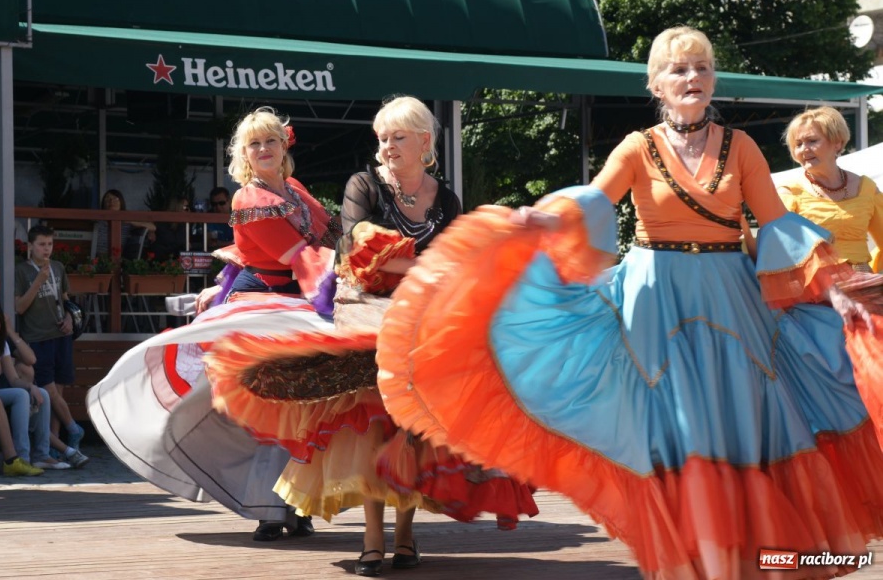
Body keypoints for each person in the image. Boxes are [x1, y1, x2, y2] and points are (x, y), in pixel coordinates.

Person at [373, 28, 883, 580]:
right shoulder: (639, 145)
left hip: (730, 304)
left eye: (702, 68)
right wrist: (541, 219)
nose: (693, 78)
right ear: (657, 84)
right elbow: (597, 198)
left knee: (739, 424)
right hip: (654, 304)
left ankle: (742, 560)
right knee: (678, 432)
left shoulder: (742, 146)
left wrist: (830, 285)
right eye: (680, 70)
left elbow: (776, 224)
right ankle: (695, 559)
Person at [206, 96, 538, 577]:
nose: (386, 146)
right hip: (359, 311)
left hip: (420, 314)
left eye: (397, 136)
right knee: (369, 424)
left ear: (425, 141)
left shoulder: (442, 198)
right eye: (382, 137)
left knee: (415, 429)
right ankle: (366, 538)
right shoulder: (360, 185)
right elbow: (350, 248)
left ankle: (405, 537)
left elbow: (456, 254)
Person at [86, 107, 334, 541]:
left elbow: (326, 237)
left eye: (271, 140)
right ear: (243, 153)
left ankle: (295, 504)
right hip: (265, 306)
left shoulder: (294, 188)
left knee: (303, 409)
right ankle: (270, 509)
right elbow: (291, 255)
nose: (264, 149)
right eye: (254, 143)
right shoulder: (247, 198)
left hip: (301, 302)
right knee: (270, 407)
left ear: (284, 144)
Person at [775, 106, 883, 273]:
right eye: (798, 144)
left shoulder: (867, 188)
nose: (804, 149)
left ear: (837, 143)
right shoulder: (789, 193)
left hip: (865, 287)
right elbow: (781, 251)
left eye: (812, 141)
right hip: (816, 291)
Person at [14, 225, 88, 467]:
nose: (46, 249)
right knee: (49, 393)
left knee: (59, 389)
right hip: (37, 337)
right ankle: (73, 429)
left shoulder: (58, 267)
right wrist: (38, 281)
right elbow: (19, 307)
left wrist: (68, 318)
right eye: (42, 244)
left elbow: (65, 299)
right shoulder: (22, 271)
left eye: (50, 244)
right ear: (30, 246)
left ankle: (56, 445)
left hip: (60, 335)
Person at [0, 300, 76, 470]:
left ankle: (42, 455)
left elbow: (13, 379)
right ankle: (22, 458)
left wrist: (29, 386)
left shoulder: (1, 344)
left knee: (41, 392)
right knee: (20, 395)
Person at [94, 189, 156, 259]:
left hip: (120, 261)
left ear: (121, 202)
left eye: (115, 199)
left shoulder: (127, 222)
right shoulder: (97, 222)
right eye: (107, 199)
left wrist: (149, 231)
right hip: (97, 260)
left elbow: (152, 226)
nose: (111, 201)